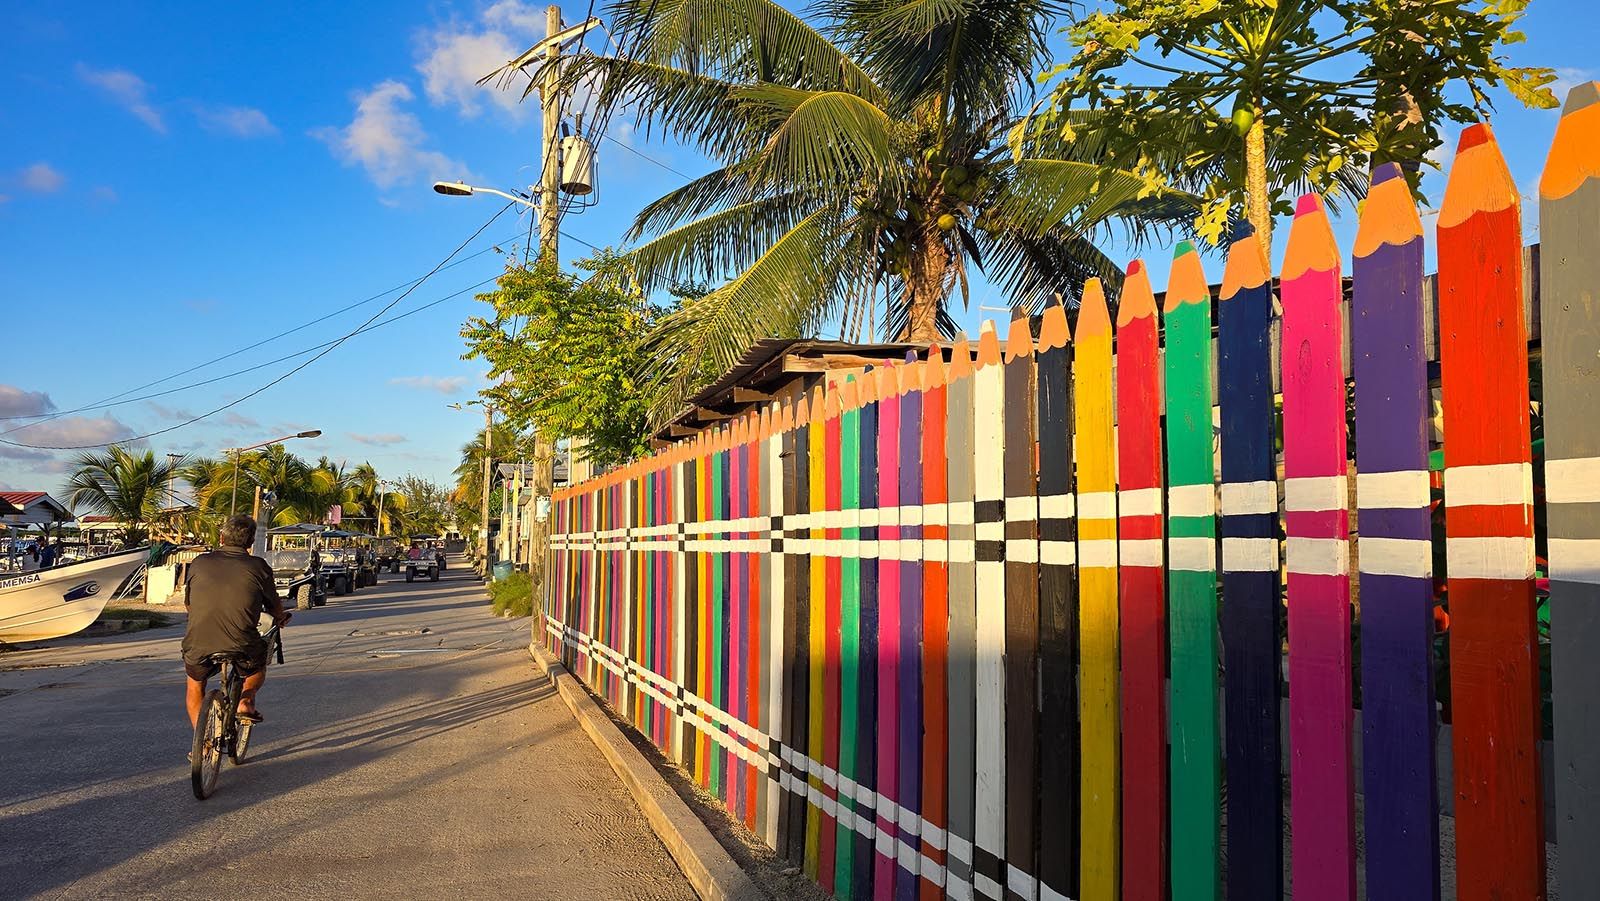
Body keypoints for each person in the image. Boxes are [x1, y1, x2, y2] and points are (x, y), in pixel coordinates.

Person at [181, 515, 290, 730]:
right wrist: (280, 617)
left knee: (194, 685)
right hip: (242, 642)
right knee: (257, 665)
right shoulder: (258, 567)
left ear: (221, 537)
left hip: (198, 642)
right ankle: (245, 701)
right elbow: (274, 604)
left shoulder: (199, 562)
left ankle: (201, 743)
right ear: (250, 542)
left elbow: (189, 604)